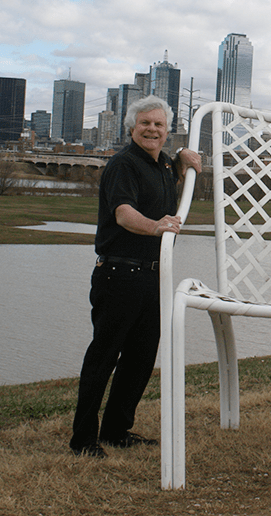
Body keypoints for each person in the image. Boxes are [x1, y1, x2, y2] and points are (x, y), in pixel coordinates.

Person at [70, 95, 202, 458]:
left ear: (167, 132)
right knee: (103, 358)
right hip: (118, 275)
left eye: (159, 124)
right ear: (131, 128)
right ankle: (83, 440)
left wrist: (182, 160)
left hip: (153, 277)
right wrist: (157, 226)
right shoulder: (122, 165)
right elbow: (124, 214)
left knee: (140, 359)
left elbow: (169, 171)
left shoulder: (161, 165)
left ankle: (116, 430)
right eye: (145, 123)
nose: (152, 129)